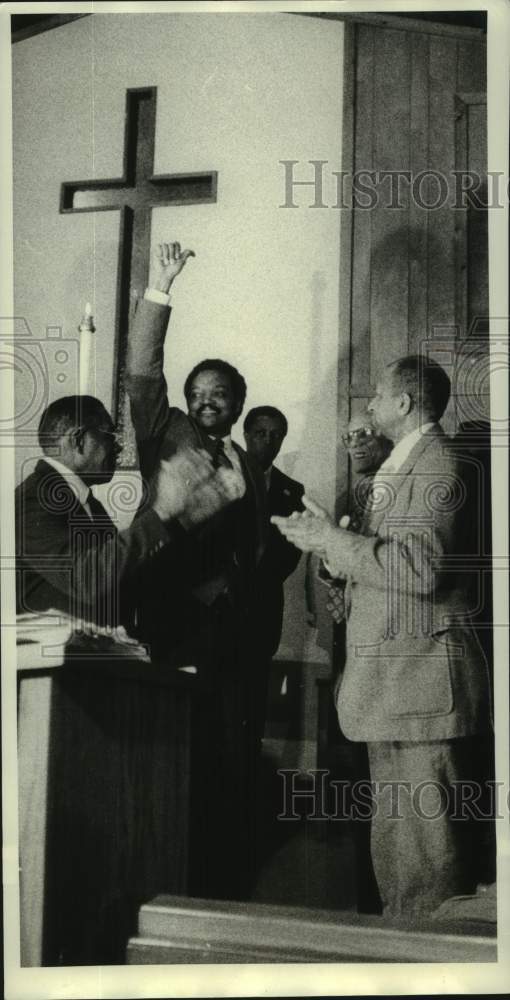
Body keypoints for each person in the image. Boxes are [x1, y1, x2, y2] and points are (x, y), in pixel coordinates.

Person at [272, 355, 492, 918]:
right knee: (401, 851)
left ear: (404, 403)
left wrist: (334, 542)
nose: (368, 406)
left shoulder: (440, 464)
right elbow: (386, 566)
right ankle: (404, 949)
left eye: (376, 396)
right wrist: (330, 551)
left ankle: (428, 964)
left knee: (425, 854)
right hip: (395, 684)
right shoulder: (403, 465)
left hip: (419, 684)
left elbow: (422, 569)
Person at [125, 241, 267, 899]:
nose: (208, 402)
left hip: (227, 639)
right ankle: (168, 886)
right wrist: (161, 286)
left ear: (238, 404)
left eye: (221, 395)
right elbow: (142, 369)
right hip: (168, 620)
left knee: (224, 765)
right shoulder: (166, 433)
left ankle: (218, 889)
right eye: (199, 393)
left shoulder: (244, 461)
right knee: (171, 762)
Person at [16, 394, 237, 630]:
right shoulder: (31, 499)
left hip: (96, 649)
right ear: (79, 440)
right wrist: (162, 510)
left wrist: (186, 517)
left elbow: (124, 571)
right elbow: (88, 579)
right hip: (52, 659)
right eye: (110, 435)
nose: (119, 446)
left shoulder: (87, 502)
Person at [243, 405, 304, 746]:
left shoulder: (291, 491)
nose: (268, 441)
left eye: (276, 435)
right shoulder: (224, 479)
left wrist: (255, 582)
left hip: (263, 610)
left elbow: (290, 554)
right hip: (218, 613)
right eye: (260, 433)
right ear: (246, 435)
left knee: (254, 704)